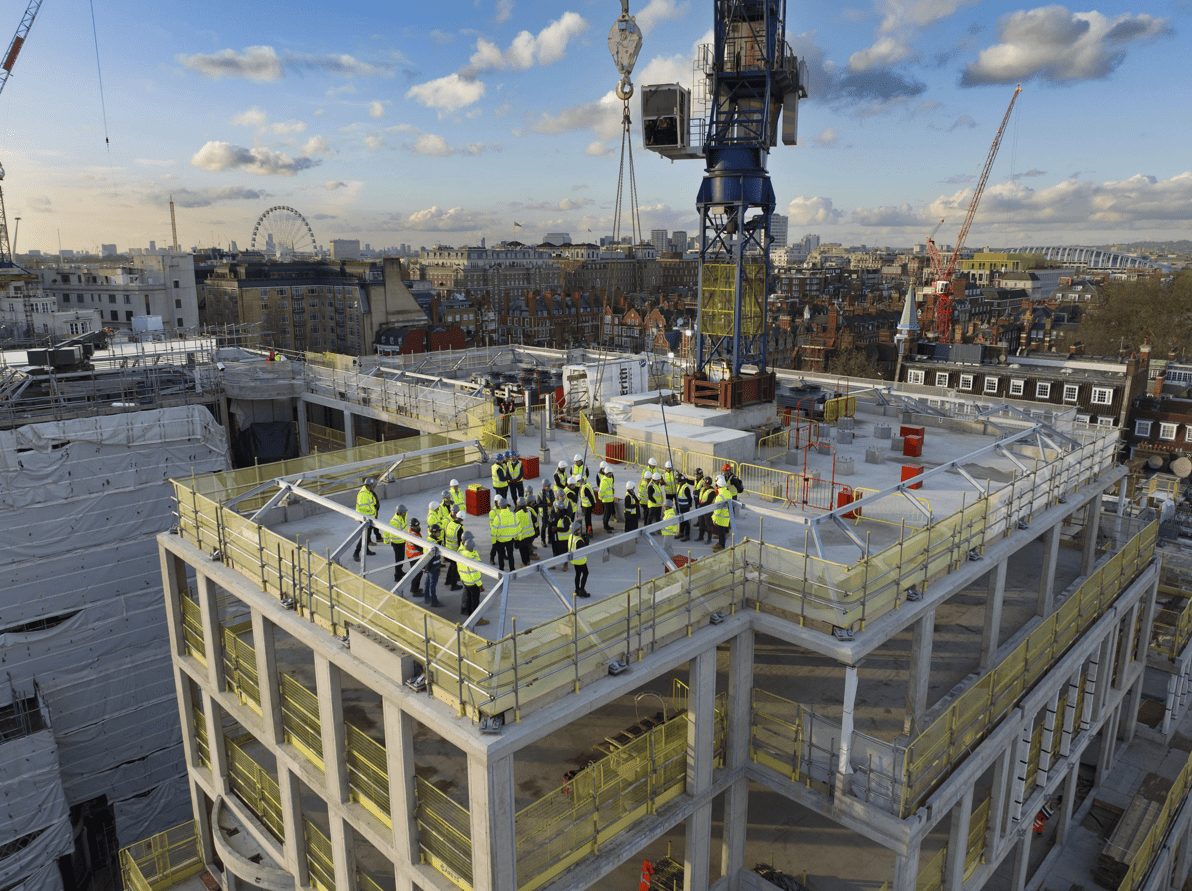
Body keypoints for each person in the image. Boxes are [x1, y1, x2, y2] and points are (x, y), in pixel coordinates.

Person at [457, 533, 488, 626]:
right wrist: (480, 585)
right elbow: (475, 574)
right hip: (472, 582)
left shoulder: (461, 550)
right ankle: (476, 619)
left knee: (469, 597)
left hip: (465, 579)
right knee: (475, 601)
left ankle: (467, 611)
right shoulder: (471, 557)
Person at [353, 476, 382, 560]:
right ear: (369, 485)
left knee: (368, 535)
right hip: (365, 518)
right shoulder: (363, 494)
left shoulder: (368, 491)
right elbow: (364, 507)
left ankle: (366, 550)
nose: (374, 487)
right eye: (373, 485)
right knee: (364, 536)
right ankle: (356, 553)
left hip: (370, 517)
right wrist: (373, 509)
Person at [381, 503, 409, 583]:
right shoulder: (394, 521)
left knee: (402, 559)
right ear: (400, 513)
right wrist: (386, 540)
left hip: (402, 541)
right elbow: (387, 531)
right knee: (398, 560)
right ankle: (397, 576)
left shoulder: (403, 517)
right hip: (396, 543)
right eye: (404, 512)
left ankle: (400, 571)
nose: (405, 513)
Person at [489, 496, 516, 571]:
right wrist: (515, 537)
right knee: (510, 555)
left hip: (500, 540)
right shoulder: (512, 514)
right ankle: (512, 569)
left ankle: (501, 569)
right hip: (510, 539)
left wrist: (494, 541)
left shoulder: (498, 517)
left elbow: (494, 531)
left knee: (500, 556)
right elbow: (516, 526)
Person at [443, 506, 464, 591]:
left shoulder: (449, 524)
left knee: (452, 566)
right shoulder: (459, 528)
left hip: (448, 549)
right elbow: (460, 542)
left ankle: (448, 581)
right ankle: (453, 585)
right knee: (455, 568)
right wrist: (461, 552)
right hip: (455, 551)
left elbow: (445, 536)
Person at [423, 525, 443, 607]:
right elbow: (431, 557)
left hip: (429, 566)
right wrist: (428, 568)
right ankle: (434, 601)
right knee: (432, 584)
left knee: (428, 583)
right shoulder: (434, 544)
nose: (440, 532)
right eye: (438, 531)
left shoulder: (428, 539)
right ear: (434, 532)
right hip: (433, 567)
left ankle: (426, 598)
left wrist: (426, 568)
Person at [712, 476, 733, 550]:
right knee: (722, 532)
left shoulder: (719, 496)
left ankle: (721, 546)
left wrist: (714, 519)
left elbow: (717, 510)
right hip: (726, 516)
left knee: (721, 533)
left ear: (718, 485)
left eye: (716, 485)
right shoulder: (727, 492)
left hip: (721, 518)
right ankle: (720, 543)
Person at [570, 521, 590, 598]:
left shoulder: (571, 537)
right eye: (579, 529)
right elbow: (584, 549)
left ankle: (577, 590)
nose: (580, 530)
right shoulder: (579, 540)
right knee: (585, 573)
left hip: (574, 560)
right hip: (580, 560)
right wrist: (586, 541)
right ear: (577, 530)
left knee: (578, 574)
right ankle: (582, 590)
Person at [405, 519, 424, 596]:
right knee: (417, 574)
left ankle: (415, 589)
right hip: (414, 557)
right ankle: (414, 591)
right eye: (416, 526)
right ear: (412, 526)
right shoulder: (413, 536)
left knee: (417, 573)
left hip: (412, 556)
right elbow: (419, 548)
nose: (418, 527)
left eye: (418, 525)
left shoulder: (411, 532)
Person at [514, 498, 535, 566]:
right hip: (529, 535)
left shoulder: (517, 514)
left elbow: (516, 527)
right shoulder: (528, 511)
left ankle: (524, 563)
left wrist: (515, 538)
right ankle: (528, 561)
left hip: (522, 536)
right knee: (527, 549)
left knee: (522, 551)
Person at [552, 499, 572, 565]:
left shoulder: (566, 518)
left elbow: (566, 529)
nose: (556, 510)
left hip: (564, 539)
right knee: (557, 551)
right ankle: (554, 563)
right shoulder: (557, 515)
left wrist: (556, 529)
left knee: (564, 553)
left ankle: (565, 564)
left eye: (557, 509)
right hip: (558, 538)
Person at [675, 472, 694, 542]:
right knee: (681, 520)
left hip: (685, 507)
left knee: (686, 521)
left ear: (680, 481)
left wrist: (688, 505)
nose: (676, 482)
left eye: (677, 480)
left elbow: (689, 498)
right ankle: (681, 532)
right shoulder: (679, 486)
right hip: (680, 507)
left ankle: (687, 535)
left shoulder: (685, 488)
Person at [598, 463, 617, 532]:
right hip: (606, 500)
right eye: (610, 473)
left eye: (611, 473)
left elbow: (610, 487)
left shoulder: (610, 478)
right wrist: (601, 498)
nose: (611, 474)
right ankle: (605, 526)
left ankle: (606, 525)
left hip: (610, 499)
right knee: (607, 513)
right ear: (606, 473)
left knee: (608, 513)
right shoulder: (604, 481)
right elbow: (601, 491)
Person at [697, 477, 716, 543]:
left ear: (708, 484)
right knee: (701, 523)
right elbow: (700, 497)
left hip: (708, 510)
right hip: (701, 509)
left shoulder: (712, 491)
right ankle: (700, 537)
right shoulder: (702, 489)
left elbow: (708, 501)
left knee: (708, 524)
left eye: (705, 483)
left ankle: (709, 539)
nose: (704, 484)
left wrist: (700, 505)